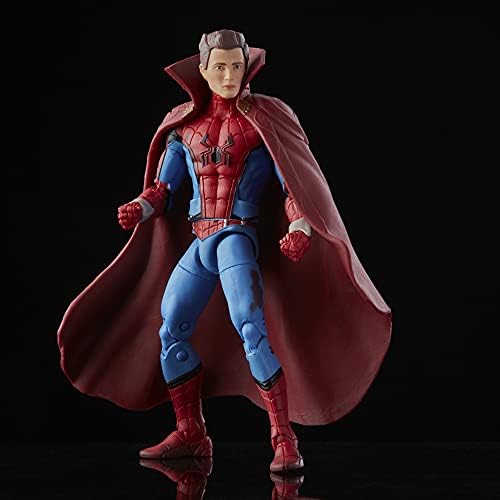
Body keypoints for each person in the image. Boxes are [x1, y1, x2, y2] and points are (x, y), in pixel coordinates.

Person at [58, 29, 392, 473]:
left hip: (236, 235)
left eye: (237, 66)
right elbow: (163, 190)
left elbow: (295, 185)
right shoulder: (183, 128)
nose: (229, 76)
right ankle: (191, 432)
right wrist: (139, 208)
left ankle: (284, 438)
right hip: (200, 239)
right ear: (203, 70)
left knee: (250, 328)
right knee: (171, 329)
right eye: (220, 67)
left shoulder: (264, 121)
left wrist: (300, 226)